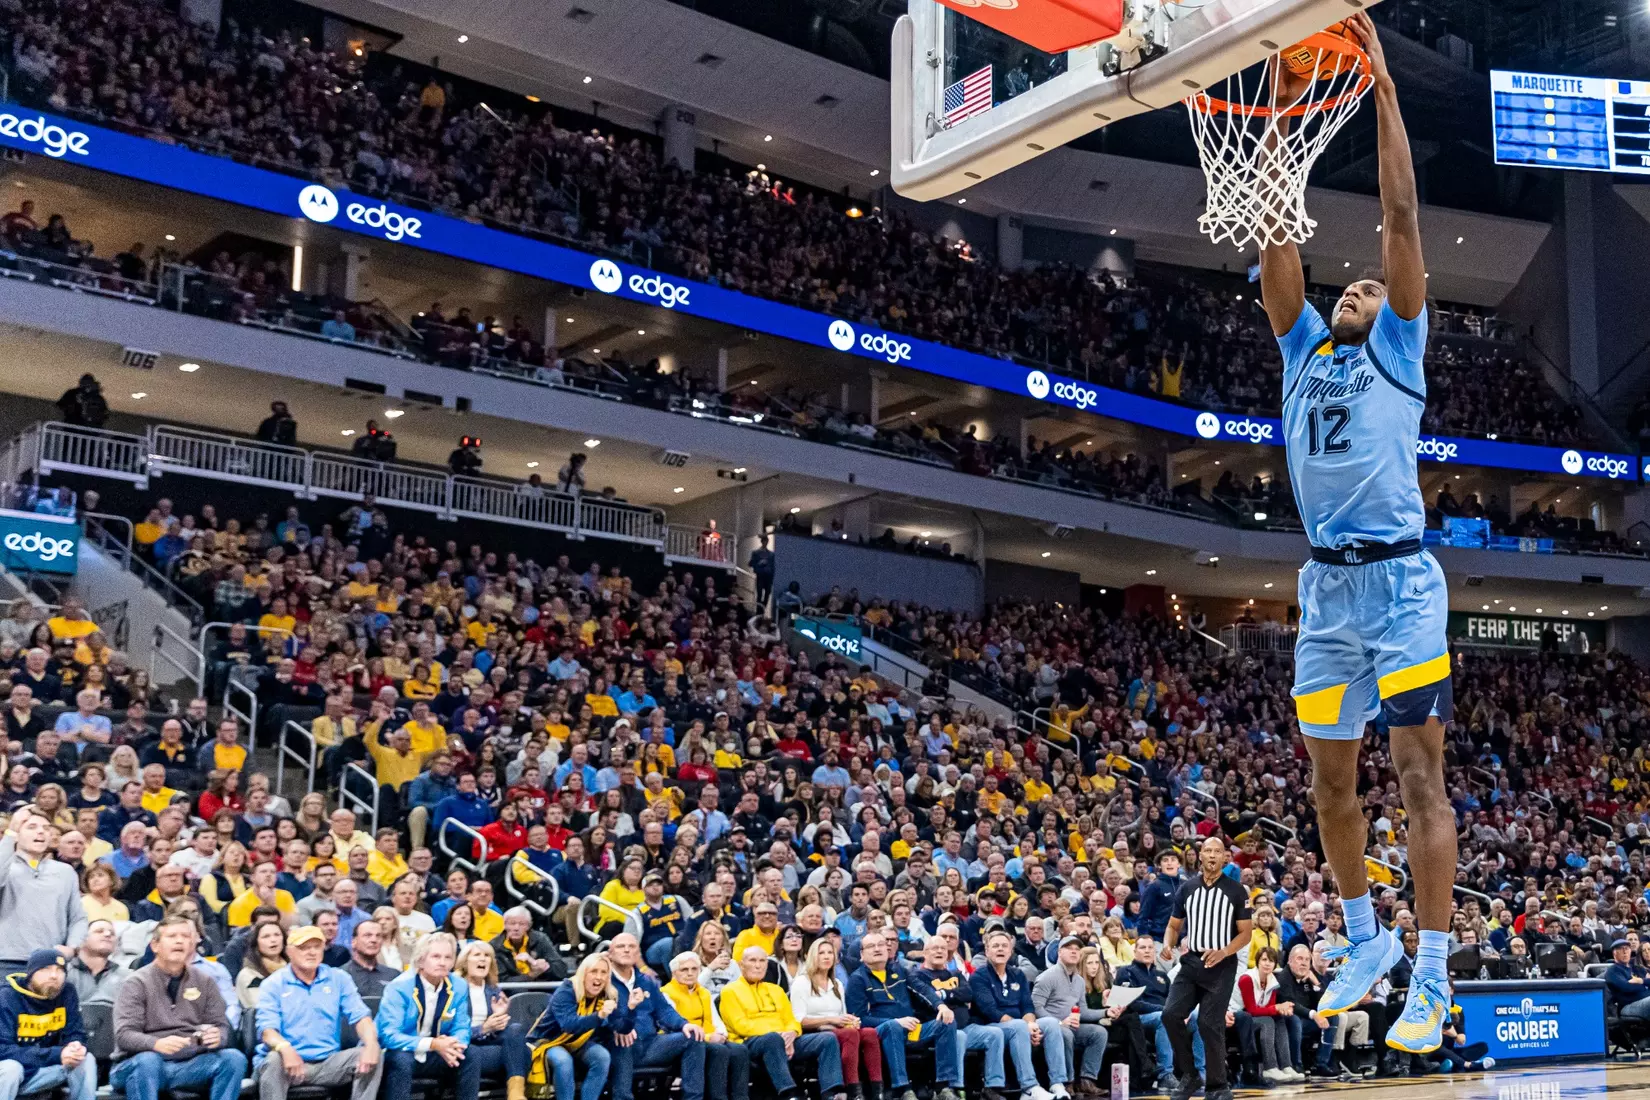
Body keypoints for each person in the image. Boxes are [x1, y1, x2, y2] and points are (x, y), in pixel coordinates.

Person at [1258, 12, 1455, 1055]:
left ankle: (1433, 970)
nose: (1358, 285)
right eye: (1352, 284)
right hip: (1326, 594)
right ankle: (1366, 938)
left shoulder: (1400, 348)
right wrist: (1284, 117)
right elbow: (1276, 237)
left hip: (1401, 585)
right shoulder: (1301, 352)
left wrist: (1380, 92)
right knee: (1330, 781)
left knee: (1419, 773)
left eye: (1372, 287)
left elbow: (1400, 216)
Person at [110, 916, 247, 1100]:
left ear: (192, 944)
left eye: (185, 936)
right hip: (137, 1063)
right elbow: (124, 1035)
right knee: (148, 1062)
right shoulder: (136, 983)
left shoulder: (204, 981)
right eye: (172, 936)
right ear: (155, 945)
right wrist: (156, 1044)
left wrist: (217, 1036)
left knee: (233, 1058)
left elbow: (220, 1025)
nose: (179, 941)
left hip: (189, 1064)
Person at [1161, 837, 1251, 1100]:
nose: (1212, 855)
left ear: (1225, 857)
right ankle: (1189, 1075)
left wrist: (1224, 951)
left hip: (1222, 963)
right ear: (1200, 855)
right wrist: (1168, 944)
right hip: (1191, 961)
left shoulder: (1237, 891)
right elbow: (1174, 926)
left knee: (1209, 1023)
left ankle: (1217, 1086)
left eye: (1218, 851)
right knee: (1170, 1015)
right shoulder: (1186, 888)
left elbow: (1245, 934)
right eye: (1208, 850)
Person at [253, 925, 382, 1100]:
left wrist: (371, 1044)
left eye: (316, 947)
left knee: (374, 1053)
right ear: (289, 952)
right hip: (286, 1062)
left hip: (328, 1062)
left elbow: (361, 1017)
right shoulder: (273, 984)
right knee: (274, 1059)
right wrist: (285, 1048)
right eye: (303, 948)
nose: (311, 952)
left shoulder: (338, 978)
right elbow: (267, 1031)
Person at [845, 931, 960, 1100]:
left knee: (946, 1022)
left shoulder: (899, 970)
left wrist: (941, 1006)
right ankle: (903, 1088)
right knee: (893, 1027)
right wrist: (896, 1021)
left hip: (911, 1028)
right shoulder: (857, 980)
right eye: (871, 946)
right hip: (881, 1031)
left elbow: (921, 988)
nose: (877, 949)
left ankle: (943, 1086)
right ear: (862, 955)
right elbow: (859, 1019)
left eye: (881, 944)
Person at [720, 945, 846, 1100]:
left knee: (827, 1039)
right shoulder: (730, 991)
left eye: (762, 961)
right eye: (752, 960)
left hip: (785, 1040)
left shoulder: (776, 990)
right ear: (741, 965)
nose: (758, 965)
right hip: (750, 1042)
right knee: (772, 1039)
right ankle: (789, 1093)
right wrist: (780, 1034)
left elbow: (791, 1019)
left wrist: (792, 1033)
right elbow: (741, 1026)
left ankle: (831, 1092)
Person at [376, 933, 480, 1100]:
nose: (442, 962)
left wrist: (452, 1046)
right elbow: (389, 1036)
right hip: (400, 1051)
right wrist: (433, 1044)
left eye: (448, 957)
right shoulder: (399, 987)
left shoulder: (459, 986)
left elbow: (462, 1027)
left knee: (471, 1053)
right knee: (401, 1060)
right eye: (436, 956)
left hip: (438, 1053)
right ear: (421, 960)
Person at [602, 933, 705, 1100]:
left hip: (651, 1044)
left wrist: (684, 1024)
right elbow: (597, 1013)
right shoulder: (603, 980)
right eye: (621, 946)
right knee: (623, 1039)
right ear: (610, 953)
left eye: (632, 947)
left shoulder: (646, 981)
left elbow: (664, 1010)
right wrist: (616, 1029)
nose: (627, 950)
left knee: (693, 1036)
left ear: (638, 954)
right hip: (619, 1045)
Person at [911, 935, 1008, 1100]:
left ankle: (992, 1086)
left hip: (967, 1025)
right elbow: (927, 1002)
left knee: (995, 1034)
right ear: (925, 953)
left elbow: (968, 993)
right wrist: (955, 997)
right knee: (959, 1036)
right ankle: (954, 1088)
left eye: (943, 948)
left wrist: (944, 994)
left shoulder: (955, 973)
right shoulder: (918, 976)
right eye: (935, 948)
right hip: (939, 1030)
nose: (940, 951)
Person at [790, 937, 880, 1100]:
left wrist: (850, 1021)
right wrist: (831, 1020)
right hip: (809, 1035)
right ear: (812, 957)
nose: (826, 956)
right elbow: (799, 1020)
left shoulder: (837, 983)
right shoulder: (801, 982)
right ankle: (853, 1091)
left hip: (836, 1031)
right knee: (850, 1035)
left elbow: (842, 1016)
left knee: (869, 1033)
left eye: (830, 953)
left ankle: (877, 1091)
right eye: (821, 953)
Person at [970, 928, 1056, 1100]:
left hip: (1019, 1025)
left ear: (1010, 951)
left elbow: (1027, 1005)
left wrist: (1031, 1024)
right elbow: (991, 1011)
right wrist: (1025, 1027)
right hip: (989, 1025)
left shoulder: (1018, 974)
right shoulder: (979, 976)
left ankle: (1059, 1083)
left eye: (1004, 946)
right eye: (995, 946)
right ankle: (1029, 1086)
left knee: (1051, 1023)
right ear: (987, 951)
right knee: (1018, 1026)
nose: (1000, 949)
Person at [0, 948, 95, 1100]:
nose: (54, 975)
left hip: (43, 1071)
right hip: (10, 1074)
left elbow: (75, 1032)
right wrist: (57, 1054)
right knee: (12, 1069)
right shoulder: (6, 997)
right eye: (45, 969)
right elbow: (2, 1050)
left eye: (60, 970)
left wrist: (74, 1046)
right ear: (31, 973)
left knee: (85, 1059)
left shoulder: (67, 992)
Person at [0, 806, 86, 971]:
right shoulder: (6, 865)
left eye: (46, 828)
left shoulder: (65, 872)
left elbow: (78, 918)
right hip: (6, 961)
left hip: (51, 963)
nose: (41, 832)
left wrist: (73, 947)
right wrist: (9, 835)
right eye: (32, 827)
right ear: (17, 833)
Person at [526, 952, 621, 1100]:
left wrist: (631, 1010)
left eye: (604, 972)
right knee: (563, 1060)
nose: (599, 977)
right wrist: (600, 1015)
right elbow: (569, 1025)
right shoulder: (567, 990)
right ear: (583, 973)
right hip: (547, 1041)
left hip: (577, 1042)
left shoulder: (608, 994)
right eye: (594, 971)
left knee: (602, 1056)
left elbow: (618, 1025)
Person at [1115, 936, 1204, 1092]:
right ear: (1134, 951)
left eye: (1150, 948)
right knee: (1164, 1018)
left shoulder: (1162, 976)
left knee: (1198, 1017)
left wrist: (1184, 1011)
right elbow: (1131, 1003)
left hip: (1165, 1015)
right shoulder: (1125, 972)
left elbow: (1175, 999)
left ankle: (1200, 1073)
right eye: (1143, 948)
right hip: (1138, 1019)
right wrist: (1165, 1011)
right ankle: (1165, 1075)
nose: (1147, 951)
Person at [664, 952, 751, 1100]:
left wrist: (722, 1034)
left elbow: (716, 1020)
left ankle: (740, 1097)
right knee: (718, 1051)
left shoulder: (704, 992)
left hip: (711, 1038)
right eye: (684, 970)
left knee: (740, 1050)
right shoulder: (667, 993)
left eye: (694, 969)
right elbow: (674, 1027)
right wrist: (709, 1037)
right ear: (674, 973)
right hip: (687, 1042)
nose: (690, 973)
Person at [1031, 936, 1108, 1096]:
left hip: (1071, 1027)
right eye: (1069, 948)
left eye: (1077, 948)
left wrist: (1106, 1012)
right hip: (1048, 1028)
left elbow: (1083, 1011)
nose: (1074, 951)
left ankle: (1087, 1080)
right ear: (1059, 952)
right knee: (1065, 1033)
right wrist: (1058, 1023)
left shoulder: (1079, 981)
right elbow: (1035, 1007)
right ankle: (1067, 1082)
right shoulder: (1048, 976)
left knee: (1098, 1032)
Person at [455, 942, 529, 1100]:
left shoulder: (493, 990)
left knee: (515, 1029)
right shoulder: (454, 989)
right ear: (465, 962)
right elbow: (451, 1031)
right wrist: (483, 1028)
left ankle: (516, 1094)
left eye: (487, 956)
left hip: (490, 1042)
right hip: (467, 1047)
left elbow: (503, 1031)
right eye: (477, 955)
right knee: (524, 1053)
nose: (483, 959)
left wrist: (500, 1016)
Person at [492, 907, 558, 980]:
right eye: (512, 923)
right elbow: (501, 981)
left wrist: (545, 967)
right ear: (504, 925)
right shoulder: (495, 945)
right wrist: (530, 975)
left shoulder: (540, 939)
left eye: (522, 924)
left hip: (542, 987)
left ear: (528, 926)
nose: (516, 928)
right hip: (510, 990)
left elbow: (561, 970)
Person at [341, 920, 398, 1001]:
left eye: (378, 936)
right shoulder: (340, 975)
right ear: (354, 942)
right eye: (368, 935)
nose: (374, 940)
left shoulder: (394, 976)